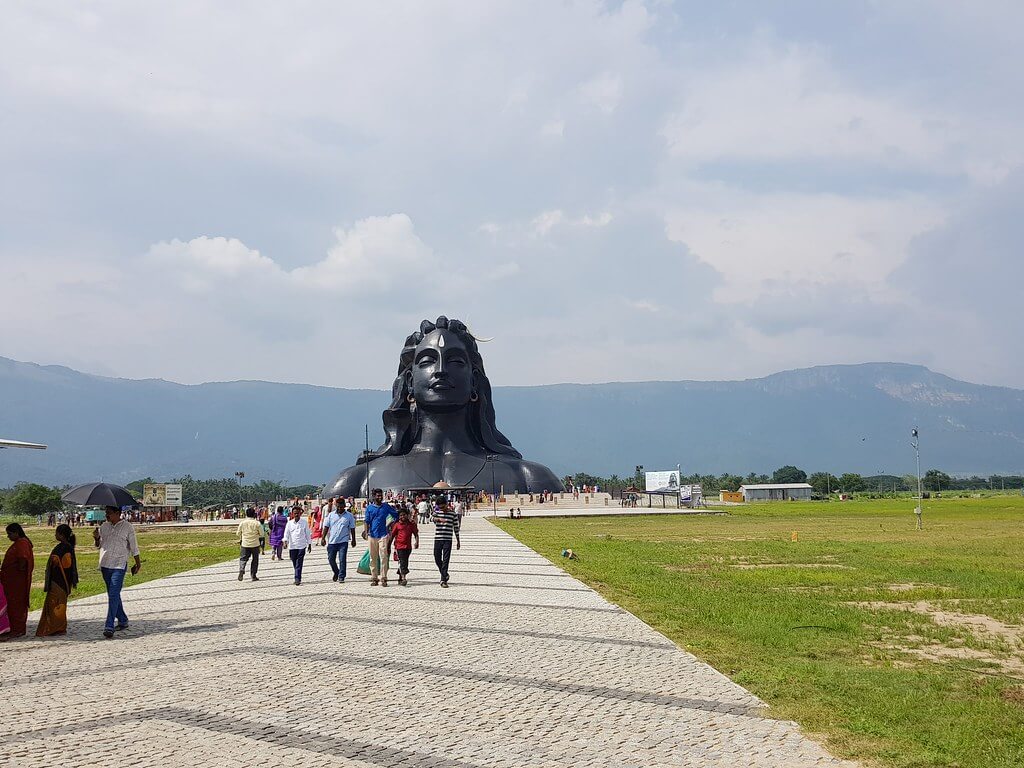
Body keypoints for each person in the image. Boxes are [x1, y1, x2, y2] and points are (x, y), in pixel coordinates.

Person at [323, 317, 563, 497]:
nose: (440, 370)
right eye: (427, 360)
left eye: (456, 361)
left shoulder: (528, 477)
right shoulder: (358, 480)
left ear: (474, 381)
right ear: (408, 383)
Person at [92, 506, 141, 639]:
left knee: (113, 594)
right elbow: (98, 545)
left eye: (109, 513)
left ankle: (109, 625)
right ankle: (123, 620)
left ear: (118, 513)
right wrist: (96, 538)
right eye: (106, 513)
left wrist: (138, 563)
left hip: (119, 565)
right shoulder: (104, 527)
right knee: (113, 594)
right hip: (105, 564)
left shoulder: (127, 527)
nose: (107, 515)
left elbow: (134, 547)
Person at [36, 524, 79, 636]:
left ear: (61, 535)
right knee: (53, 603)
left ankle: (56, 628)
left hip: (60, 580)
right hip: (56, 579)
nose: (55, 535)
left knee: (57, 604)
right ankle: (54, 627)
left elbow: (67, 564)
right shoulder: (62, 546)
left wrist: (56, 561)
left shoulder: (66, 547)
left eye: (57, 533)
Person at [1, 523, 34, 638]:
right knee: (11, 603)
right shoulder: (19, 543)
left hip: (17, 580)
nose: (8, 536)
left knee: (17, 604)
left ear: (16, 532)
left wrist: (17, 569)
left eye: (10, 534)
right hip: (11, 579)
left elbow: (22, 559)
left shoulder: (22, 543)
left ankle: (18, 629)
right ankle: (13, 628)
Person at [362, 488, 396, 587]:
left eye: (381, 495)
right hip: (372, 535)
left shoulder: (386, 507)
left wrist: (390, 524)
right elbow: (366, 521)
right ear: (374, 496)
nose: (379, 497)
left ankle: (384, 578)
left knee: (383, 557)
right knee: (373, 558)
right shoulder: (369, 508)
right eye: (377, 495)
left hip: (383, 535)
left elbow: (395, 515)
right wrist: (366, 531)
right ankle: (374, 577)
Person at [321, 496, 357, 583]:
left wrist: (353, 539)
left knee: (342, 559)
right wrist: (323, 538)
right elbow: (326, 526)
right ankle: (336, 572)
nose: (340, 508)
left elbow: (352, 528)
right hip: (332, 541)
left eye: (341, 507)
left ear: (344, 506)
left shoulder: (349, 516)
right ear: (336, 506)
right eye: (338, 507)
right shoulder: (331, 515)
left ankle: (341, 576)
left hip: (343, 541)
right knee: (331, 559)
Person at [431, 500, 460, 588]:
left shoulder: (452, 514)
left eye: (443, 507)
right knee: (437, 558)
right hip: (438, 539)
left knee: (446, 560)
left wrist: (458, 540)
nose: (442, 509)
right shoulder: (437, 512)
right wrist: (438, 519)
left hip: (448, 539)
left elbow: (456, 527)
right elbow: (431, 518)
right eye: (440, 507)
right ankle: (445, 573)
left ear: (447, 505)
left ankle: (443, 579)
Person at [390, 506, 419, 586]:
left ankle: (400, 576)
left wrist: (417, 542)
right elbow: (392, 536)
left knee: (404, 562)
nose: (402, 517)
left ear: (407, 515)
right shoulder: (397, 525)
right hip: (399, 546)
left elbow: (416, 534)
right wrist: (389, 546)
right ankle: (403, 578)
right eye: (401, 515)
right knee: (403, 562)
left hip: (408, 547)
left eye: (404, 515)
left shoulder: (411, 524)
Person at [283, 505, 312, 585]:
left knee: (299, 563)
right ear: (292, 513)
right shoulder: (289, 523)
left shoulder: (304, 523)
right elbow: (286, 533)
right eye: (295, 513)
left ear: (300, 513)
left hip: (301, 546)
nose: (296, 515)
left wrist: (309, 544)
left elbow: (307, 534)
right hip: (292, 546)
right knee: (294, 562)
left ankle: (297, 578)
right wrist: (285, 541)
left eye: (298, 513)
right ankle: (297, 574)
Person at [236, 509, 262, 582]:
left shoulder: (242, 523)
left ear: (246, 514)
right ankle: (253, 575)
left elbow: (238, 533)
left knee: (243, 558)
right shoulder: (257, 523)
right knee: (255, 560)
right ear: (254, 514)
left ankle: (242, 569)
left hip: (245, 544)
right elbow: (262, 534)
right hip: (255, 544)